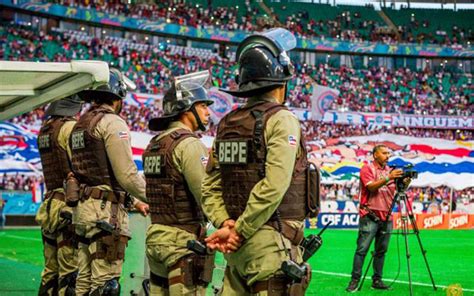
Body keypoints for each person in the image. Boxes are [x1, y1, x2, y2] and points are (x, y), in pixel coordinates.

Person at [202, 28, 318, 295]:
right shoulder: (281, 119)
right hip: (269, 242)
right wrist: (239, 230)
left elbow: (209, 186)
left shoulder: (227, 124)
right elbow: (274, 185)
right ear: (282, 82)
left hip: (236, 250)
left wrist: (225, 225)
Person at [69, 68, 149, 296]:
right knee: (106, 285)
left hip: (84, 212)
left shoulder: (80, 124)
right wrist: (156, 197)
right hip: (106, 214)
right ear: (118, 94)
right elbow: (127, 175)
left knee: (83, 281)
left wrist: (134, 202)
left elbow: (94, 171)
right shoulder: (113, 123)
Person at [143, 71, 215, 295]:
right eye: (203, 106)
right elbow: (205, 195)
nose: (208, 112)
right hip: (182, 242)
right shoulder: (189, 145)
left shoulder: (154, 144)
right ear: (187, 109)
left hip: (156, 235)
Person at [346, 144, 409, 292]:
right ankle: (354, 280)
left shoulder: (390, 171)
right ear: (375, 155)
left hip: (386, 216)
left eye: (389, 153)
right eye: (384, 153)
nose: (388, 156)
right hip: (370, 215)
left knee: (381, 251)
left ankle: (377, 280)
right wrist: (389, 177)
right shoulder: (368, 168)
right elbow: (371, 187)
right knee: (362, 249)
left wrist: (405, 183)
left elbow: (398, 191)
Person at [36, 96, 82, 296]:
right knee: (70, 273)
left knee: (50, 272)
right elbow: (80, 166)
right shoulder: (69, 128)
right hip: (67, 206)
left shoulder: (45, 130)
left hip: (49, 204)